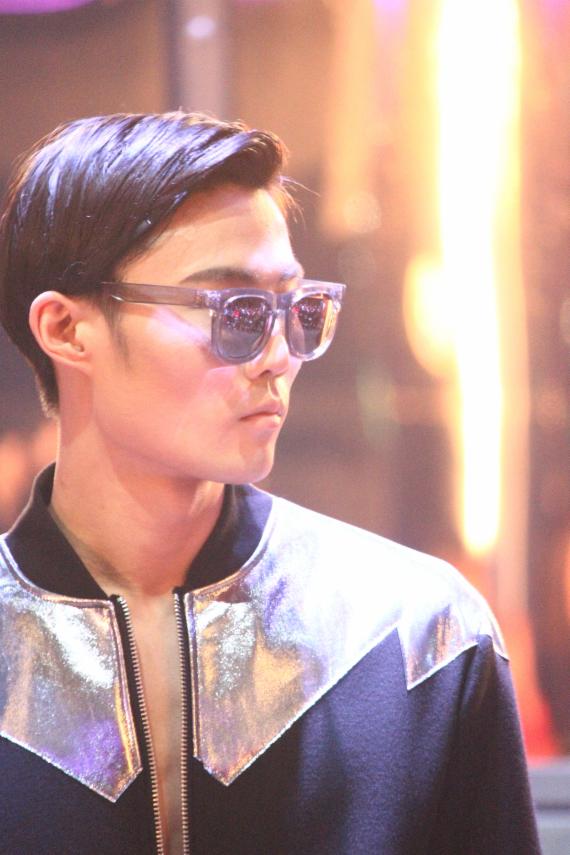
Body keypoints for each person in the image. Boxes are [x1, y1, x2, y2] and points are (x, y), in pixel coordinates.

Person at [0, 111, 539, 855]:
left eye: (298, 310)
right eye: (237, 312)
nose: (278, 356)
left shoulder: (416, 636)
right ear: (66, 329)